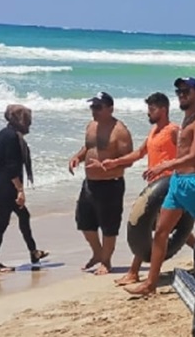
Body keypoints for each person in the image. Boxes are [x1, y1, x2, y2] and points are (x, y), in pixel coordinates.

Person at [127, 77, 195, 297]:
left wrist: (168, 166)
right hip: (177, 183)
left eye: (186, 91)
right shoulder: (185, 120)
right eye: (179, 91)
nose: (182, 94)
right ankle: (150, 284)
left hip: (192, 185)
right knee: (161, 232)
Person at [93, 92, 195, 287]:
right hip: (154, 188)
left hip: (169, 188)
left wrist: (170, 171)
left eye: (152, 109)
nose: (148, 113)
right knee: (165, 226)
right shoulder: (154, 131)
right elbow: (139, 153)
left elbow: (189, 156)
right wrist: (115, 162)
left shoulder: (174, 131)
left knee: (145, 228)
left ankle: (133, 272)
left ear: (163, 110)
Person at [67, 91, 133, 275]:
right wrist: (77, 157)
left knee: (109, 226)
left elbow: (128, 160)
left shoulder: (120, 131)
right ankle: (97, 253)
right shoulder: (91, 126)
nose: (93, 110)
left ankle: (106, 261)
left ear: (110, 109)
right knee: (84, 222)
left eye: (98, 107)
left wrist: (106, 166)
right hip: (90, 183)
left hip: (110, 184)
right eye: (92, 106)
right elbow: (88, 147)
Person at [0, 104, 48, 273]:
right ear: (19, 120)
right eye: (27, 120)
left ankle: (34, 252)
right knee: (2, 223)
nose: (29, 123)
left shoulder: (6, 133)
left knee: (23, 216)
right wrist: (20, 190)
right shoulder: (12, 137)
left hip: (1, 183)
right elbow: (11, 167)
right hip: (6, 186)